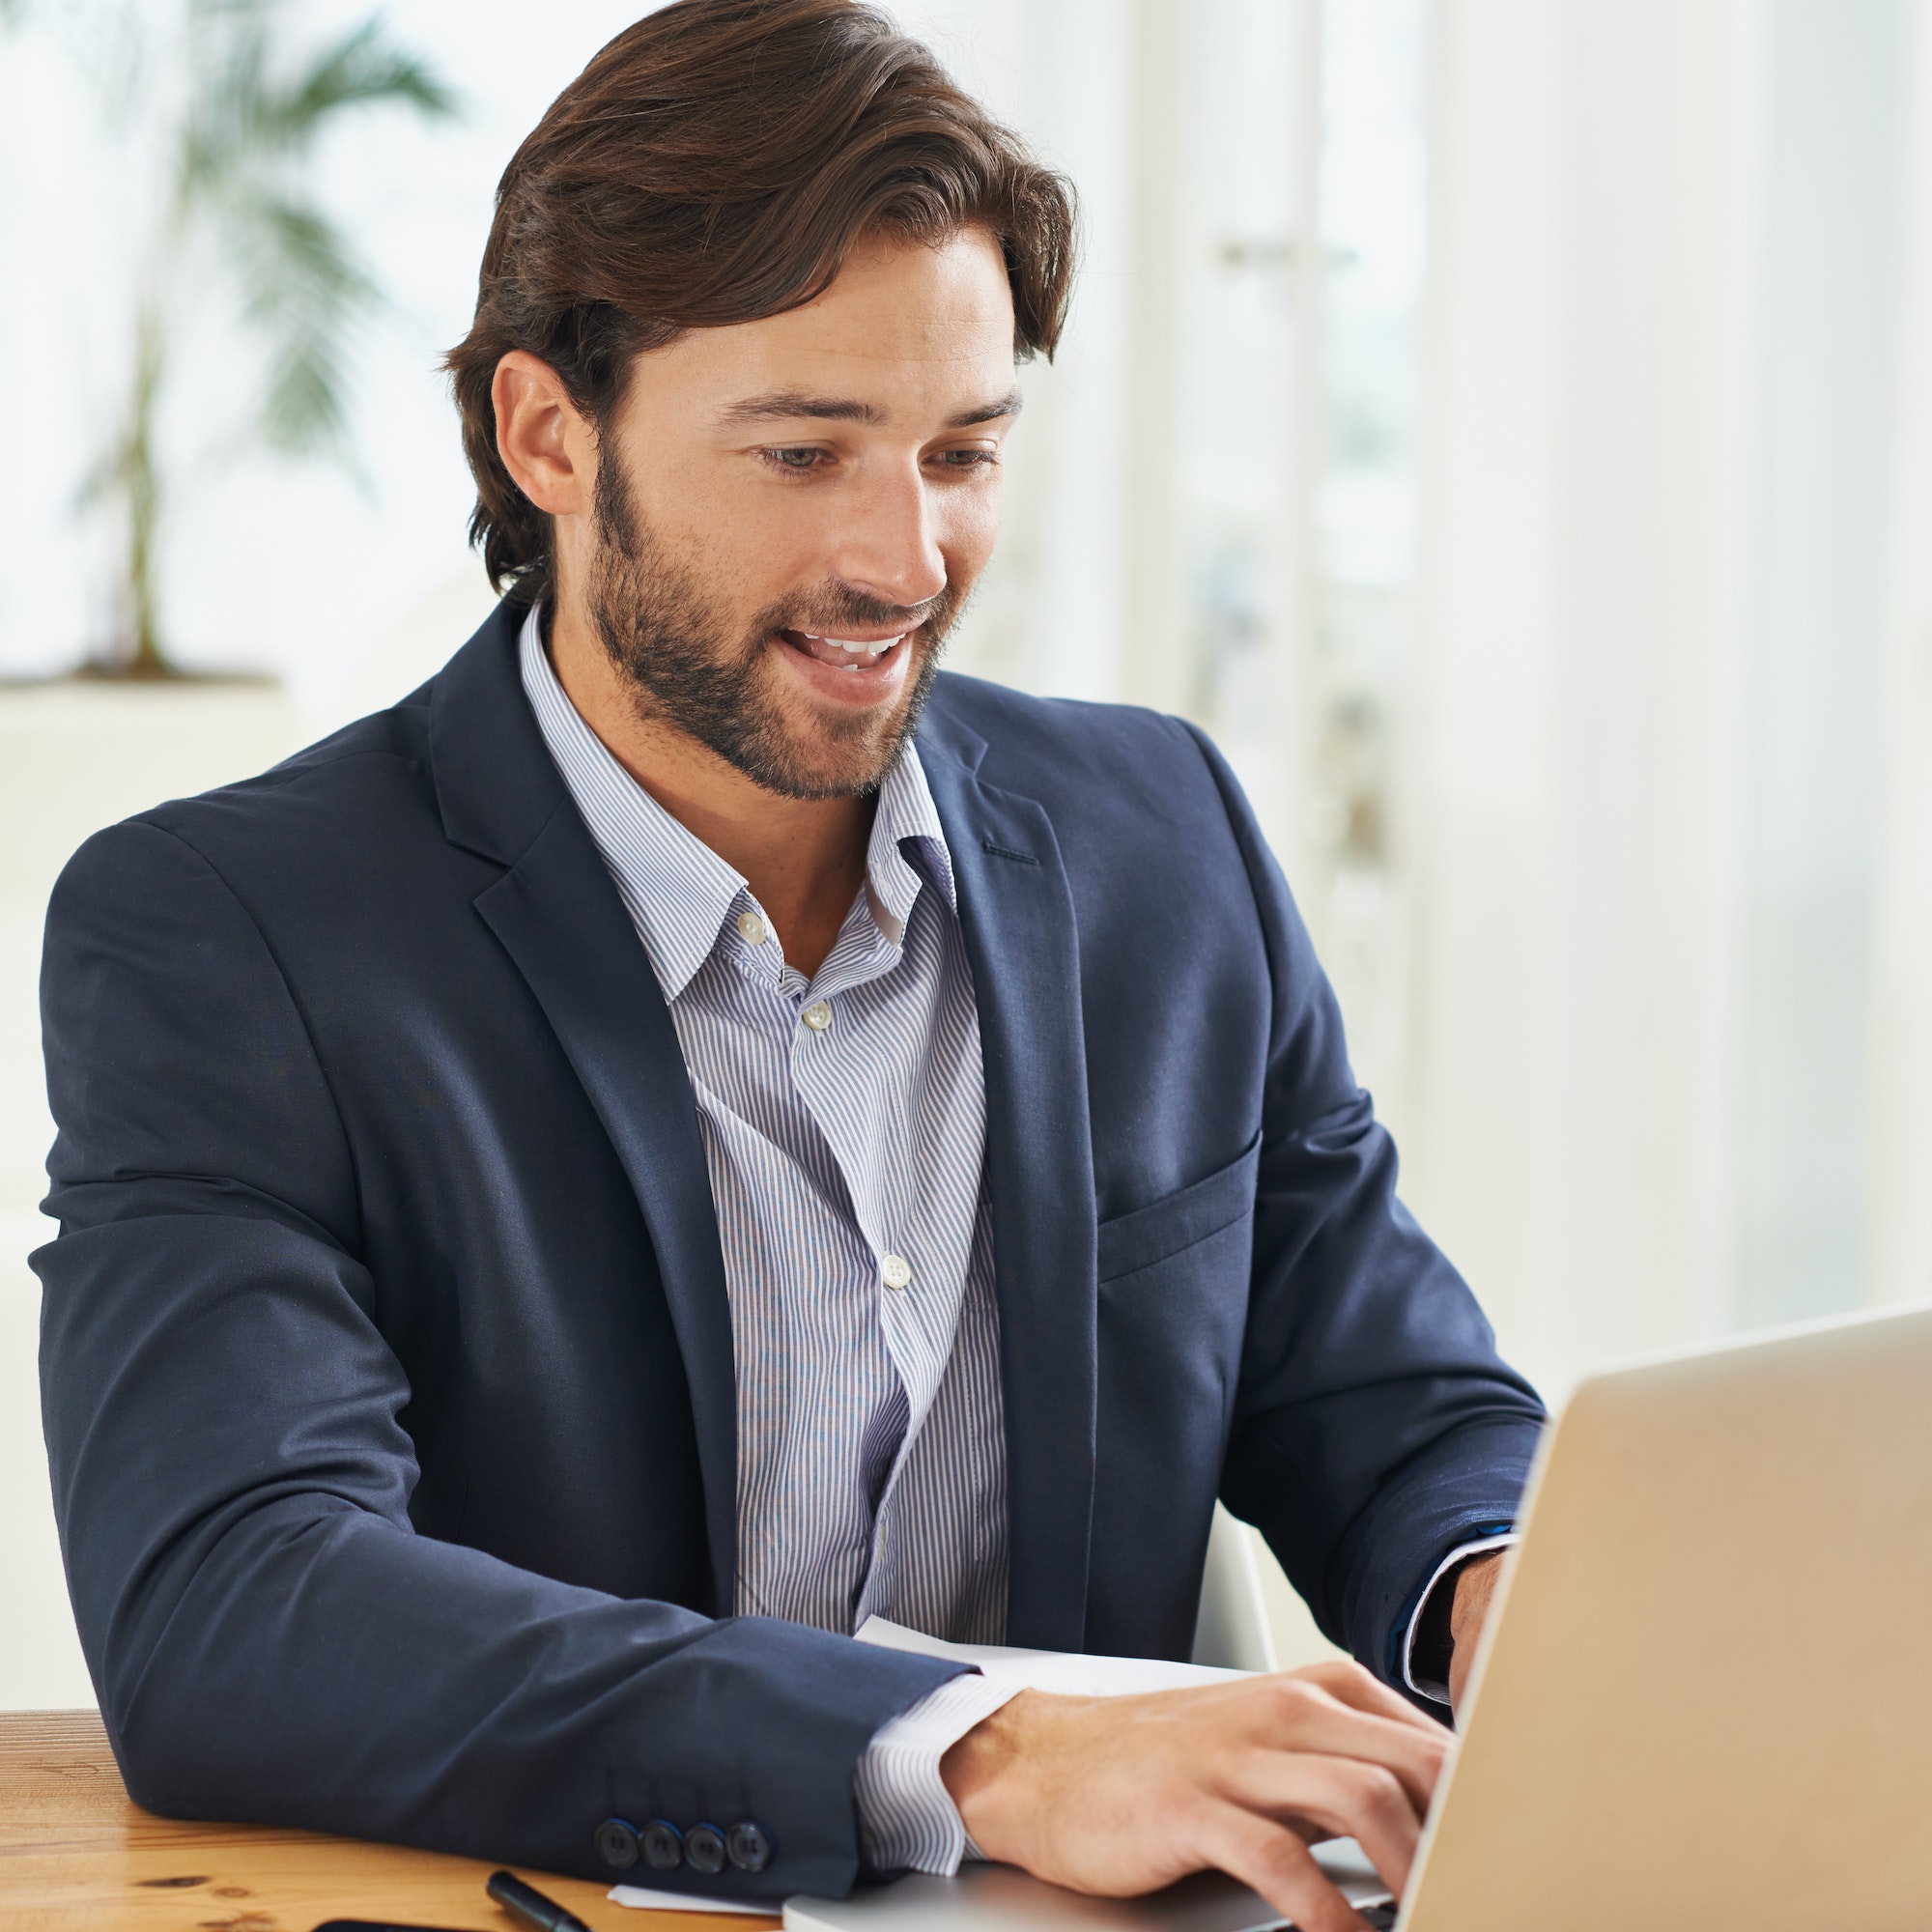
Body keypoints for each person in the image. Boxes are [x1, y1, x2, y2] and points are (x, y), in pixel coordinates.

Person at [34, 5, 1545, 1929]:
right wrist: (970, 1749)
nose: (902, 555)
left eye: (960, 450)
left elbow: (1396, 1406)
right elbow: (237, 1600)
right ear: (547, 431)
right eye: (804, 449)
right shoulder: (233, 933)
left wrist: (1517, 1605)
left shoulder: (1158, 841)